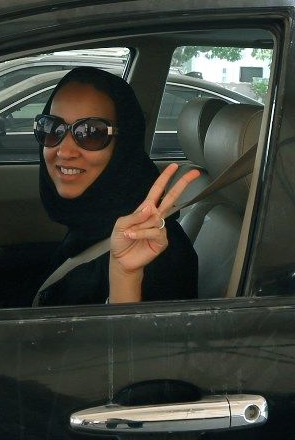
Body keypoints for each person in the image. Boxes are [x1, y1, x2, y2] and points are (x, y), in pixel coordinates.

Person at [33, 67, 200, 305]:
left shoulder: (156, 250)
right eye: (51, 128)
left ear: (124, 144)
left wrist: (126, 277)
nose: (65, 151)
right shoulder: (90, 219)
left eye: (91, 133)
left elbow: (143, 342)